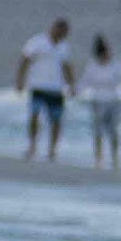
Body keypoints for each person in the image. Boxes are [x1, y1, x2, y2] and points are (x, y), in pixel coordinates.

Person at [15, 18, 75, 162]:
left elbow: (67, 67)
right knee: (34, 116)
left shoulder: (64, 47)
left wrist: (71, 85)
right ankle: (32, 146)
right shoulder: (37, 42)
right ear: (54, 28)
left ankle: (52, 150)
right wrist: (20, 80)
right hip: (38, 85)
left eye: (65, 33)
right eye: (60, 31)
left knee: (56, 120)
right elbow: (24, 60)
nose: (62, 34)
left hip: (56, 87)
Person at [79, 34, 121, 171]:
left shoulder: (117, 65)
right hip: (98, 101)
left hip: (114, 101)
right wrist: (77, 93)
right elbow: (84, 82)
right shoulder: (92, 66)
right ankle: (98, 159)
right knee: (98, 131)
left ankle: (115, 159)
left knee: (113, 131)